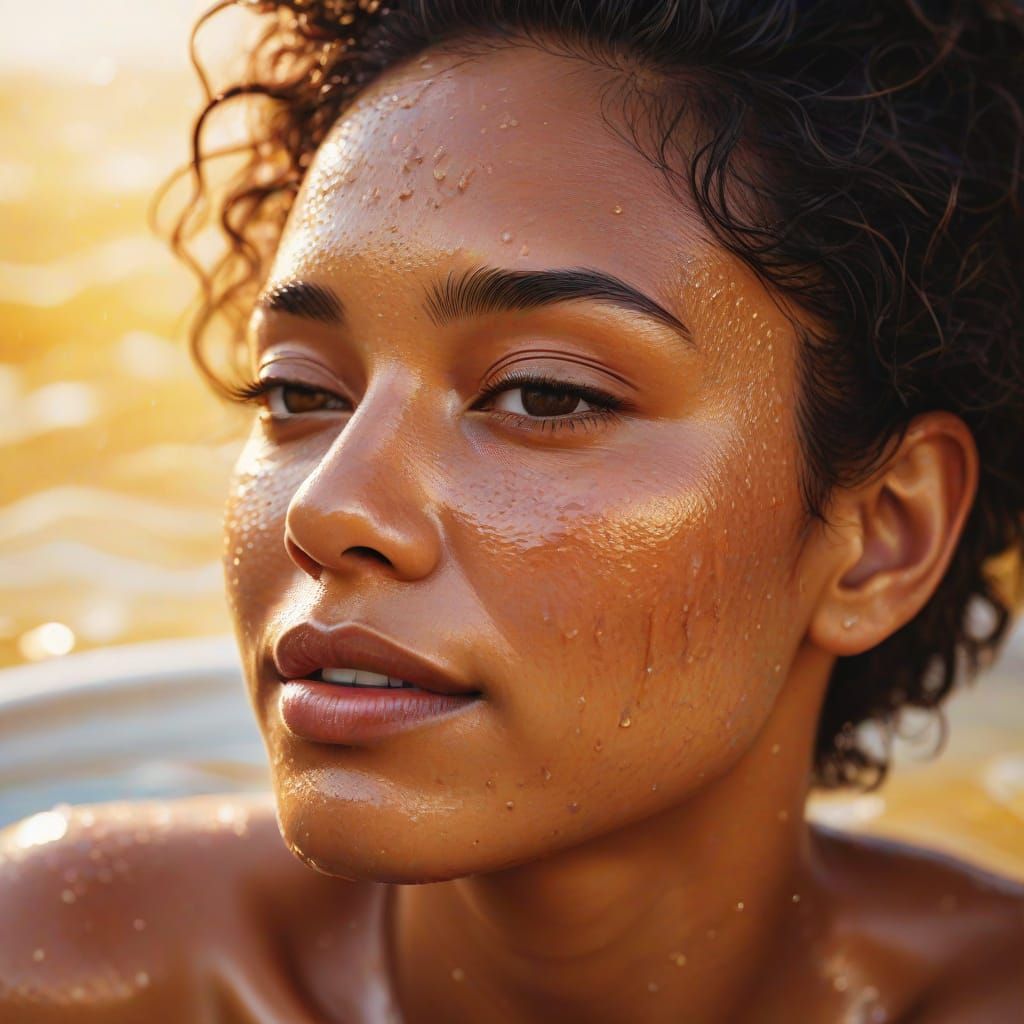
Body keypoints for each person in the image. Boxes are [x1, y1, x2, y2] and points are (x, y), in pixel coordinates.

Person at [2, 1, 1023, 1020]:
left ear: (882, 537)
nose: (327, 509)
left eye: (545, 394)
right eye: (299, 392)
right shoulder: (59, 967)